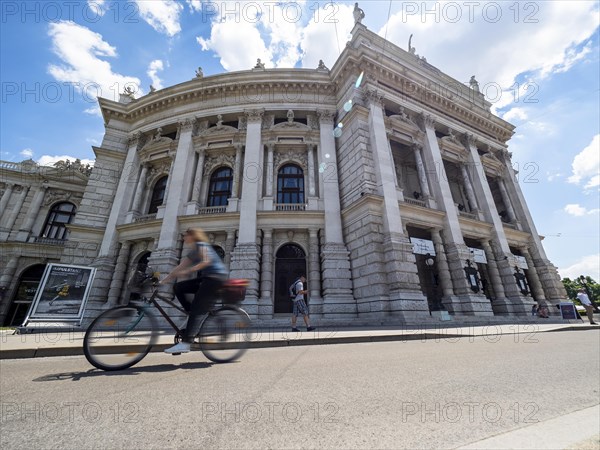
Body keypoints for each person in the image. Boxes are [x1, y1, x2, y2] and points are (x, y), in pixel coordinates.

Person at [160, 228, 229, 353]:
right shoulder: (193, 251)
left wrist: (190, 270)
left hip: (216, 278)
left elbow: (206, 261)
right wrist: (163, 281)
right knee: (178, 287)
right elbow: (179, 267)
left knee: (196, 309)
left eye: (186, 235)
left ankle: (186, 343)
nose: (183, 237)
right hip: (206, 278)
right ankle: (191, 314)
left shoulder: (201, 245)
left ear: (193, 236)